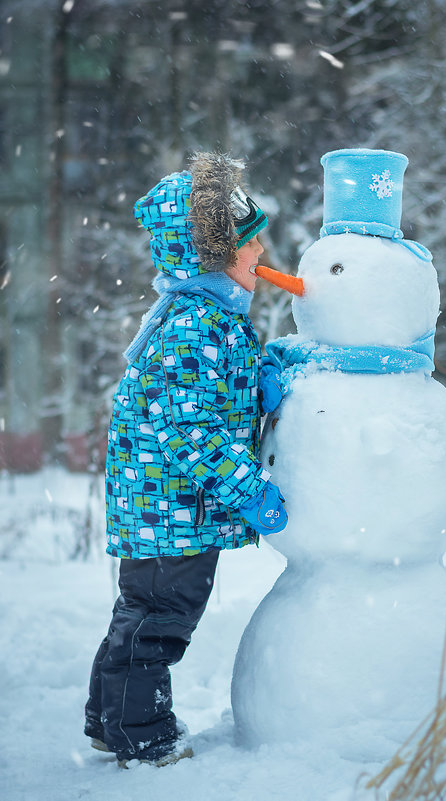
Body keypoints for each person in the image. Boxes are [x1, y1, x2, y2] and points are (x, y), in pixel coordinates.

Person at [84, 152, 287, 768]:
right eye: (250, 247)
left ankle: (108, 718)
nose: (261, 255)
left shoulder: (209, 317)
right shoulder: (193, 324)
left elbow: (211, 393)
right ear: (212, 257)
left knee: (141, 613)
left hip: (167, 506)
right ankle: (142, 736)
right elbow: (190, 428)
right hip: (168, 509)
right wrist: (247, 487)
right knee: (160, 621)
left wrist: (260, 379)